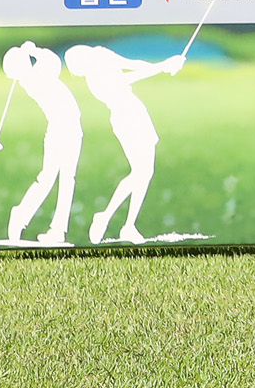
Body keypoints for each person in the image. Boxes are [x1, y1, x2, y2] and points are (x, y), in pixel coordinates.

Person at [63, 44, 181, 244]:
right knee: (140, 172)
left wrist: (164, 66)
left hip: (137, 111)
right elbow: (126, 78)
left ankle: (128, 226)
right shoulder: (95, 82)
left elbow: (131, 64)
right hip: (125, 119)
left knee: (145, 173)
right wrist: (162, 66)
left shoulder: (102, 54)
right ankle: (108, 217)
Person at [2, 41, 82, 245]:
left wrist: (31, 51)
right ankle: (20, 215)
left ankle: (57, 230)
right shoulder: (34, 78)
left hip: (71, 128)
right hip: (61, 130)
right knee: (48, 179)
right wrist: (34, 50)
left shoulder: (33, 75)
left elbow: (50, 63)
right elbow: (54, 62)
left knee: (66, 180)